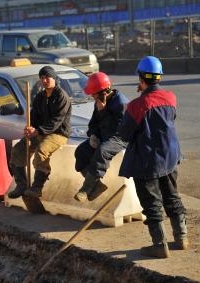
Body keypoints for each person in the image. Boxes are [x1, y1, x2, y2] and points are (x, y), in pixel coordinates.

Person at [118, 56, 188, 258]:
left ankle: (159, 245)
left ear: (141, 78)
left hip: (148, 162)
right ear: (159, 77)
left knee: (152, 203)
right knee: (172, 197)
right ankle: (182, 238)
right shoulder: (171, 98)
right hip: (170, 156)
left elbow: (124, 135)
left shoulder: (136, 106)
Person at [8, 66, 71, 199]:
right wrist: (30, 128)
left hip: (58, 134)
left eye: (47, 77)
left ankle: (36, 188)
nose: (44, 80)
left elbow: (56, 121)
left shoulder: (62, 96)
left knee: (41, 150)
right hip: (40, 132)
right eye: (42, 78)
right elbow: (34, 117)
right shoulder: (40, 97)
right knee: (18, 150)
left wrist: (38, 131)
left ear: (54, 78)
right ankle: (21, 185)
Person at [74, 72, 129, 202]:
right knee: (81, 152)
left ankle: (86, 189)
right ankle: (97, 186)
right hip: (104, 136)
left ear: (103, 92)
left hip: (120, 138)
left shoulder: (121, 103)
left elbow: (118, 130)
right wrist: (93, 135)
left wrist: (103, 111)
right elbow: (93, 123)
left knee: (102, 151)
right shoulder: (99, 102)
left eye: (93, 94)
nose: (92, 97)